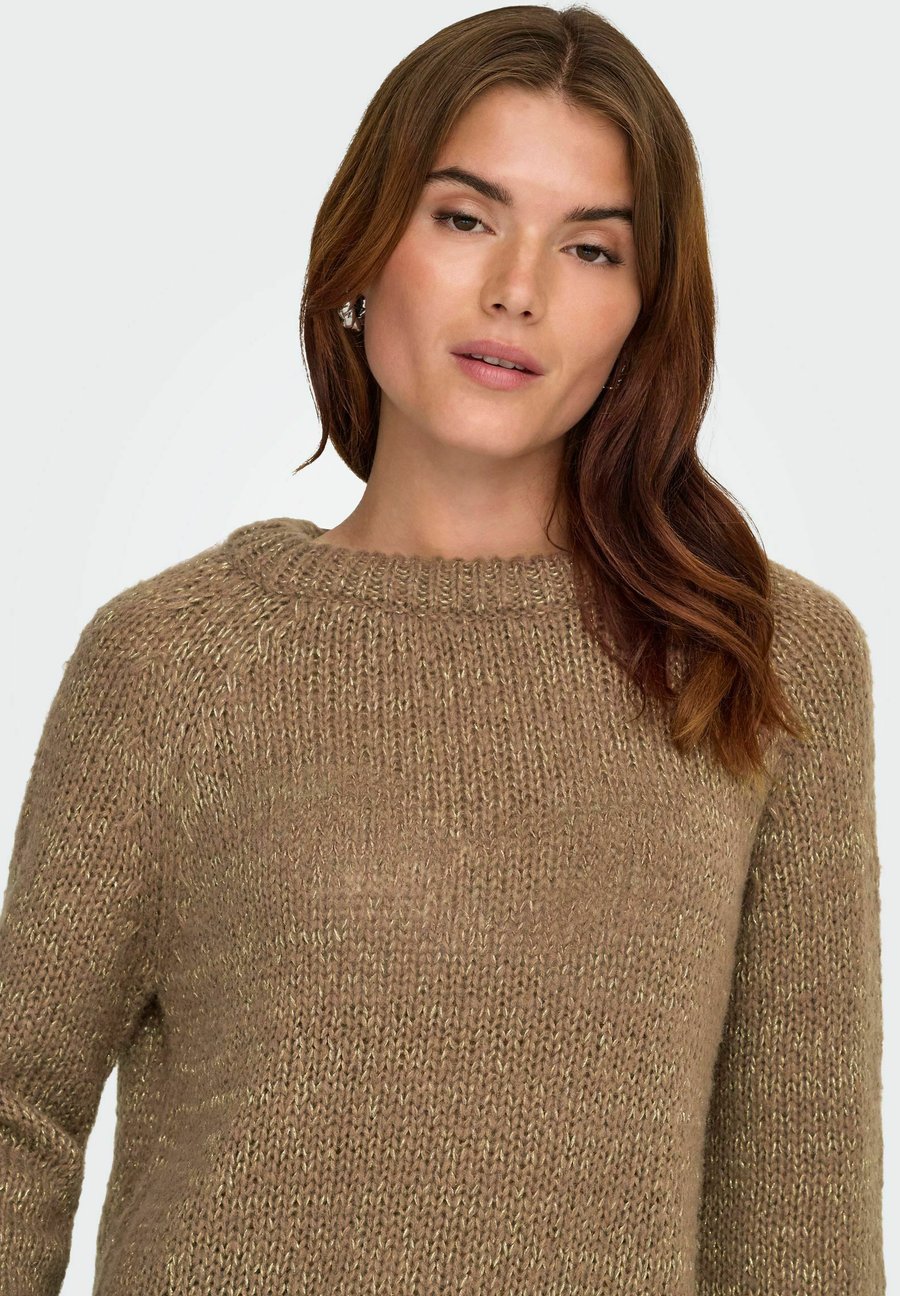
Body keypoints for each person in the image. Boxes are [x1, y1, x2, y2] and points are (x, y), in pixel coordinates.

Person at [0, 5, 884, 1294]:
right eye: (466, 218)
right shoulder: (175, 661)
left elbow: (798, 1206)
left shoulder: (760, 658)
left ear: (644, 313)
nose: (518, 288)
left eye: (590, 248)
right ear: (367, 246)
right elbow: (17, 1116)